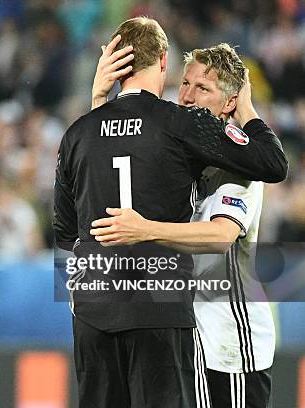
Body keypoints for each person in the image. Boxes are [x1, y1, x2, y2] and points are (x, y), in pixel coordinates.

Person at [53, 17, 287, 408]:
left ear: (230, 100)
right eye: (186, 83)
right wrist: (98, 103)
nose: (189, 96)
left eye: (203, 88)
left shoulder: (234, 162)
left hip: (229, 339)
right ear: (165, 63)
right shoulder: (179, 131)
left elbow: (222, 234)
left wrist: (144, 229)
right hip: (179, 322)